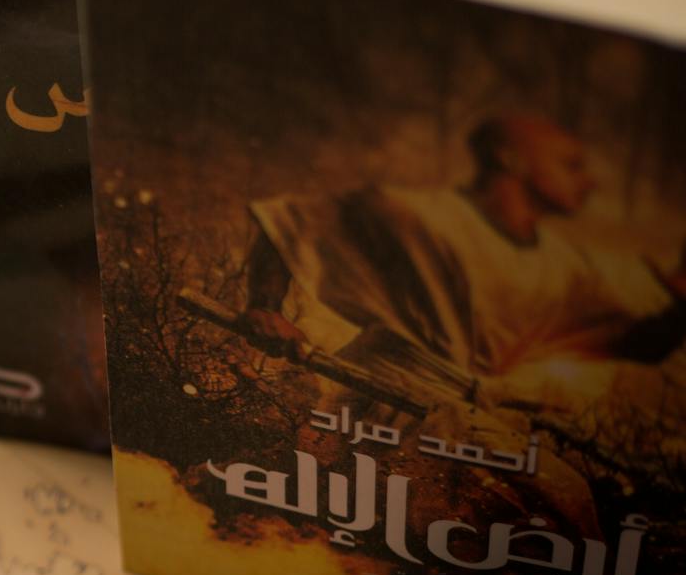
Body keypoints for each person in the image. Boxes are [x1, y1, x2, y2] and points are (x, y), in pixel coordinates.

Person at [240, 113, 686, 417]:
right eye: (571, 165)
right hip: (376, 396)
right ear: (509, 158)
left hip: (462, 414)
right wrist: (265, 306)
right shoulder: (415, 216)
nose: (588, 183)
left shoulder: (565, 267)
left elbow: (638, 343)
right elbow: (290, 224)